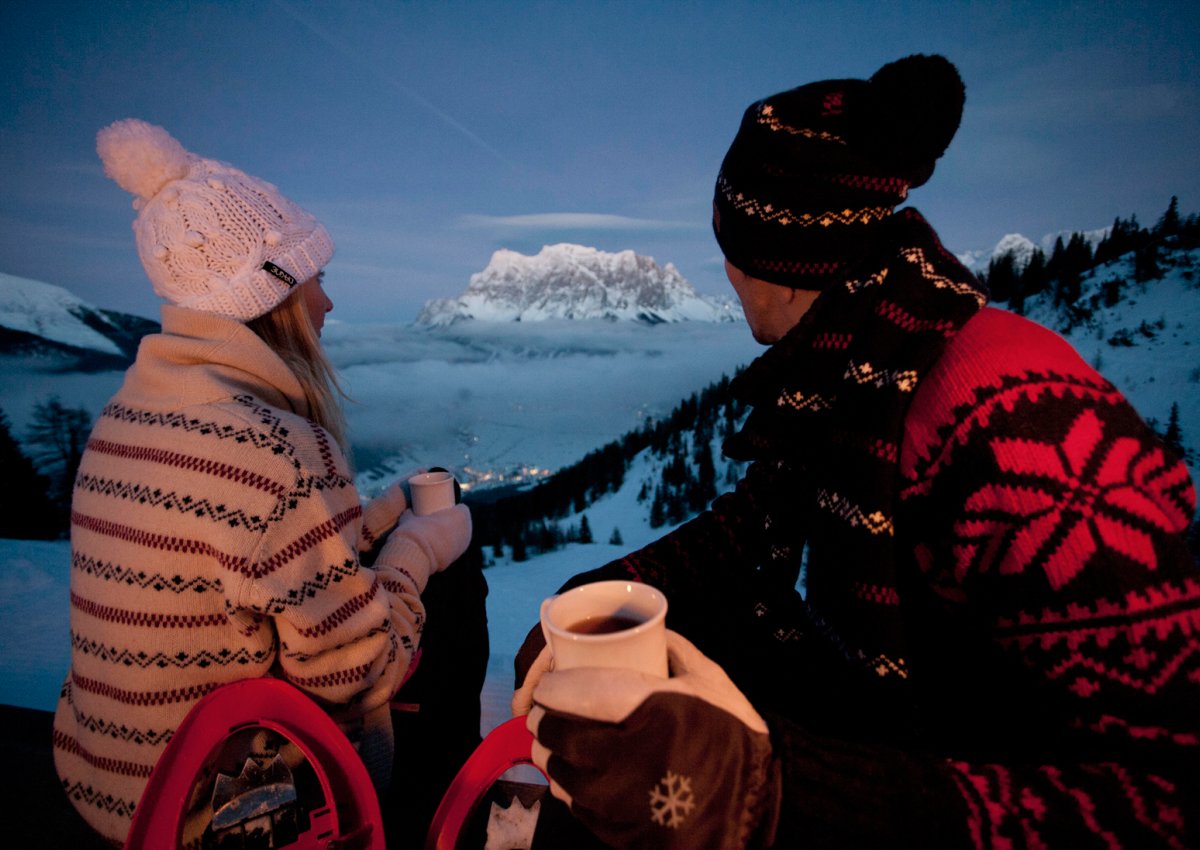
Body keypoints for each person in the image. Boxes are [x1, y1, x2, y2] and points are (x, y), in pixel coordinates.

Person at [513, 55, 1199, 848]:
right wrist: (606, 593)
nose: (724, 269)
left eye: (731, 241)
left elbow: (1166, 797)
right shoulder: (858, 365)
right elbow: (755, 526)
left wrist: (770, 795)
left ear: (781, 258)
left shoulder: (1015, 423)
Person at [53, 118, 485, 847]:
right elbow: (356, 673)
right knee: (456, 588)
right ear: (274, 291)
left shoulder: (127, 416)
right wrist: (418, 553)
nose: (329, 303)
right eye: (319, 277)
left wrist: (374, 520)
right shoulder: (272, 447)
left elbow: (244, 558)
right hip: (219, 816)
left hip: (110, 786)